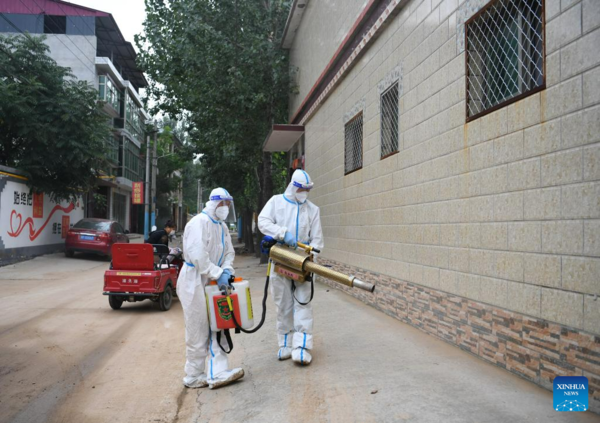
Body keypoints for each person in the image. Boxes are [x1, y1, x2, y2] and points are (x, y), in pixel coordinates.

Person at [176, 188, 244, 389]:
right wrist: (217, 273)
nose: (226, 208)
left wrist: (227, 271)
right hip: (194, 281)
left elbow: (229, 252)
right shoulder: (199, 223)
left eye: (229, 205)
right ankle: (194, 375)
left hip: (214, 281)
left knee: (219, 325)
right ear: (215, 203)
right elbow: (198, 256)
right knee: (198, 328)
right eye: (224, 204)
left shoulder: (221, 226)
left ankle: (218, 372)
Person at [258, 169, 324, 365]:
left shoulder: (313, 210)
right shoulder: (276, 202)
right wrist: (281, 233)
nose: (304, 193)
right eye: (301, 189)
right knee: (283, 303)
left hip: (303, 263)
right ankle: (285, 343)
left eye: (307, 190)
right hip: (279, 259)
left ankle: (302, 346)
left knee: (303, 302)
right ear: (293, 187)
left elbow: (318, 241)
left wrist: (311, 260)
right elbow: (263, 222)